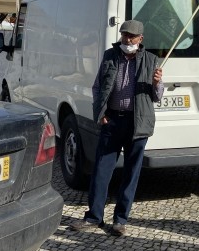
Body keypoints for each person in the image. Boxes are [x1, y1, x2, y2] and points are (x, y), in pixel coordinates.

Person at [69, 20, 164, 237]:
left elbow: (157, 97)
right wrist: (100, 113)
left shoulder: (151, 60)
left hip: (137, 123)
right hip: (112, 121)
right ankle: (94, 217)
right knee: (101, 170)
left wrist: (157, 83)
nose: (127, 40)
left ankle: (120, 220)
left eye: (132, 36)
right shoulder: (110, 56)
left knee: (131, 173)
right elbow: (97, 87)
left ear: (141, 39)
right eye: (124, 35)